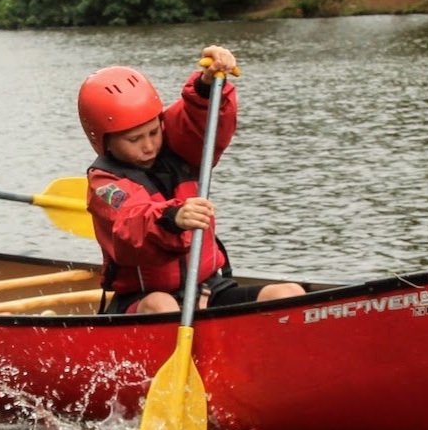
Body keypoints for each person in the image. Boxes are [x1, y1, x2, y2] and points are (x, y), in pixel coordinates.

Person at [78, 45, 306, 315]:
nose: (149, 146)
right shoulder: (105, 184)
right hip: (144, 300)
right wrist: (172, 217)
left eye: (153, 131)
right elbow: (131, 225)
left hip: (207, 289)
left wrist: (208, 84)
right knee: (162, 305)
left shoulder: (176, 143)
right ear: (104, 141)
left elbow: (199, 121)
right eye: (134, 139)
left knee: (290, 293)